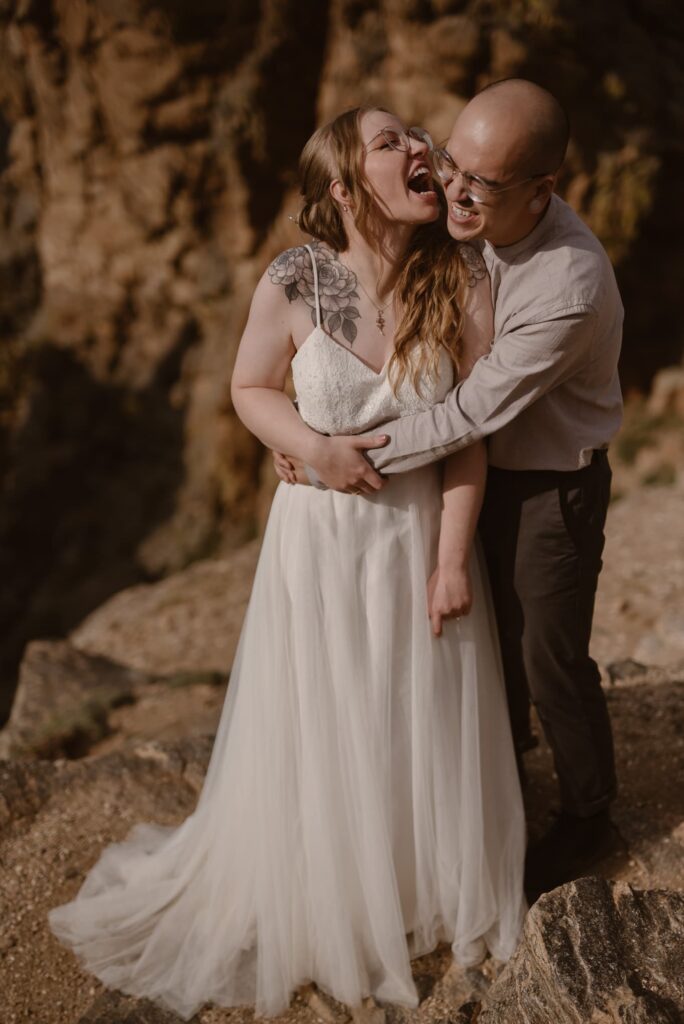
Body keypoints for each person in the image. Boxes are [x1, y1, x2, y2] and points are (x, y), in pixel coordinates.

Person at [48, 107, 526, 1020]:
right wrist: (314, 446)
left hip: (418, 537)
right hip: (318, 543)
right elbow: (248, 387)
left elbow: (470, 443)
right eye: (391, 144)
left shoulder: (463, 279)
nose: (419, 150)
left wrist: (452, 563)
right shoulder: (293, 280)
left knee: (411, 713)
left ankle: (414, 884)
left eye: (414, 136)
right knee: (332, 713)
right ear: (346, 189)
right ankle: (332, 896)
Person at [276, 80, 624, 901]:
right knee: (477, 652)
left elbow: (467, 411)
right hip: (455, 472)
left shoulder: (567, 287)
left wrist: (338, 456)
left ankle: (589, 811)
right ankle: (493, 784)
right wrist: (304, 436)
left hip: (545, 480)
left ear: (542, 190)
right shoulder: (457, 226)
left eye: (484, 183)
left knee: (547, 654)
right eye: (451, 160)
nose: (457, 189)